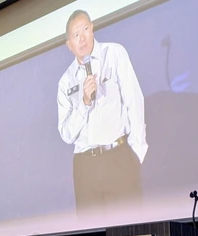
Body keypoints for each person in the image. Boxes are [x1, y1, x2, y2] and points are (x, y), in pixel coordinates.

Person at [57, 10, 148, 215]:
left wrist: (137, 151)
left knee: (131, 227)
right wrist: (84, 102)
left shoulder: (114, 54)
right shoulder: (66, 81)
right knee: (92, 234)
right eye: (75, 35)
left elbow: (134, 100)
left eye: (85, 30)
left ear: (93, 28)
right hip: (85, 166)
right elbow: (66, 134)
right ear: (69, 45)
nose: (82, 38)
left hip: (118, 156)